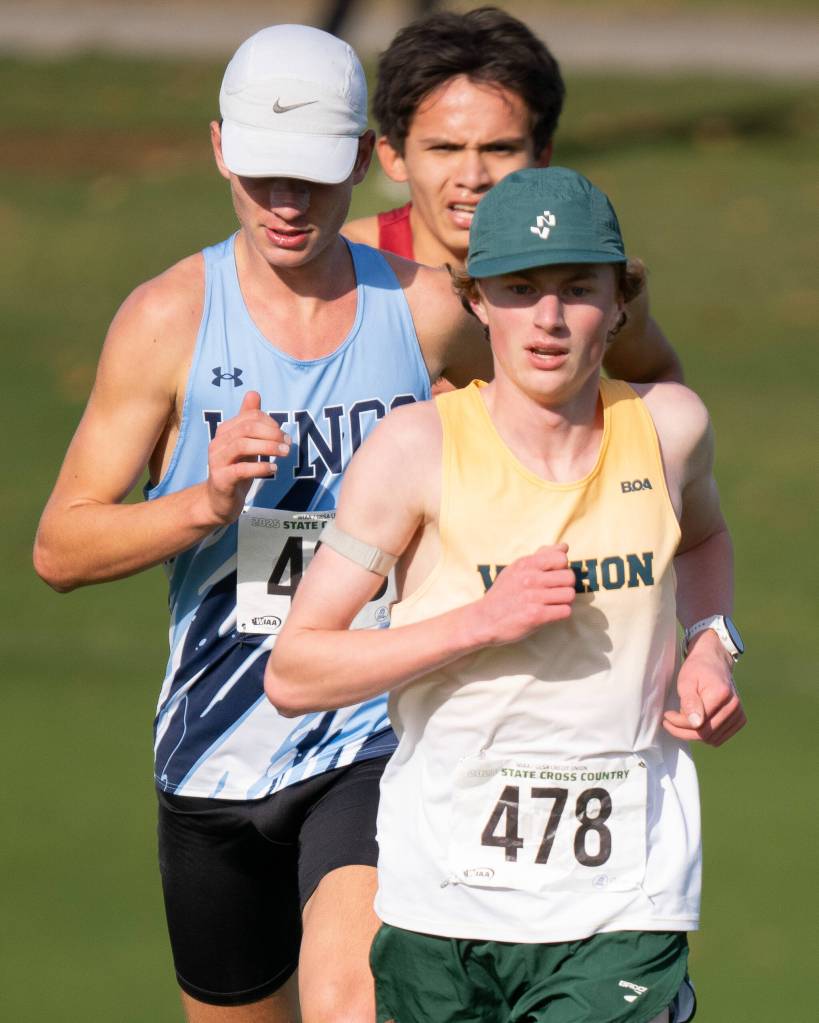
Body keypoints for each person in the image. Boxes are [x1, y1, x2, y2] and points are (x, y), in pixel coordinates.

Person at [33, 24, 492, 1023]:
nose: (288, 205)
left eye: (316, 180)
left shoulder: (423, 312)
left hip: (369, 740)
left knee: (351, 1003)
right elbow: (59, 546)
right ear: (219, 151)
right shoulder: (166, 319)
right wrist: (201, 503)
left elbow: (535, 444)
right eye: (264, 176)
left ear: (362, 163)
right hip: (212, 758)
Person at [266, 167, 748, 1023]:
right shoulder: (413, 451)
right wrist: (479, 621)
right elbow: (296, 670)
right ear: (477, 301)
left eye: (577, 288)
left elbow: (703, 538)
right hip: (439, 902)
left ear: (621, 299)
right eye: (520, 290)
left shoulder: (669, 429)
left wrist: (710, 638)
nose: (550, 319)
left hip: (621, 902)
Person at [343, 5, 682, 384]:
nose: (472, 177)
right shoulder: (346, 274)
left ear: (542, 157)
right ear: (394, 157)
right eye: (445, 148)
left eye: (499, 149)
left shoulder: (591, 280)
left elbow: (657, 377)